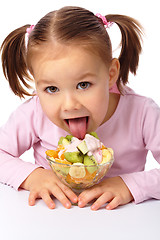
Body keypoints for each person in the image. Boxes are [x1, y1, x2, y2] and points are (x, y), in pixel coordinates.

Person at [0, 6, 160, 211]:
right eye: (51, 88)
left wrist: (130, 185)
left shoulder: (142, 114)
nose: (69, 105)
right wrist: (33, 176)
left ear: (111, 74)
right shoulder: (34, 113)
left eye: (83, 85)